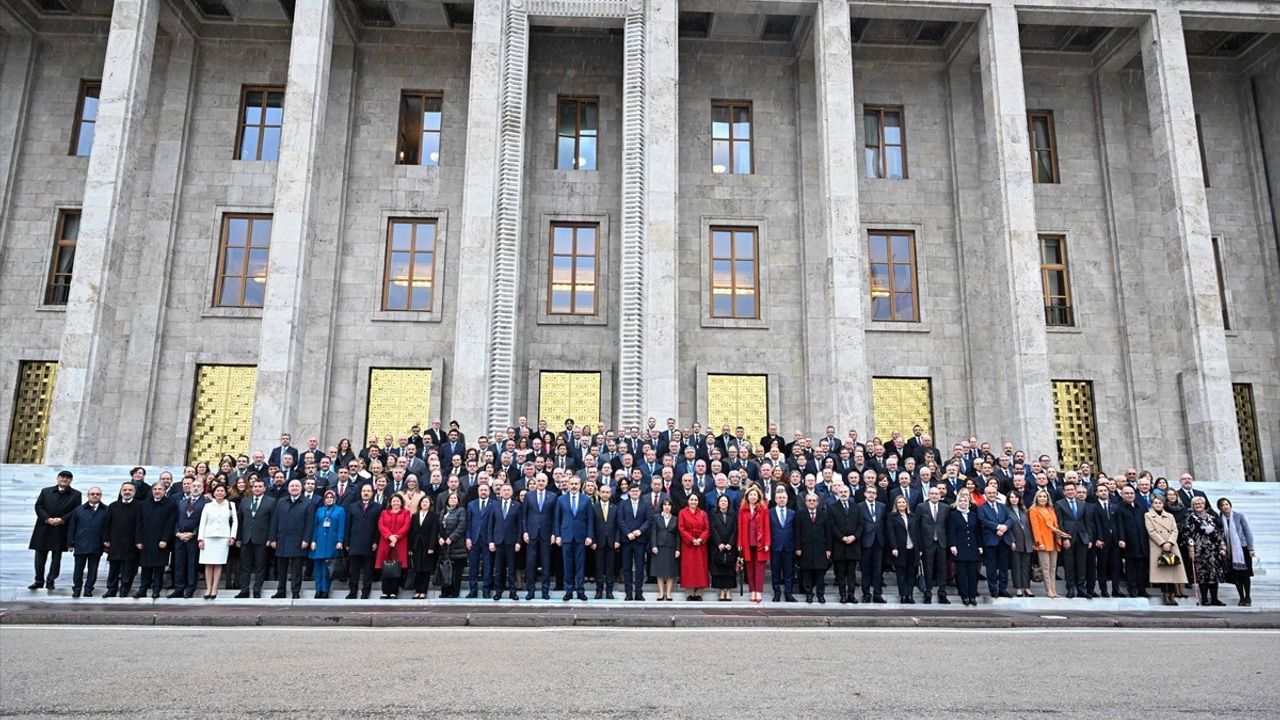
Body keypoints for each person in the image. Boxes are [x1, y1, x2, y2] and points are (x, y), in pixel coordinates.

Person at [29, 470, 81, 592]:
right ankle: (39, 580)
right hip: (44, 527)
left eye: (68, 478)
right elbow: (38, 506)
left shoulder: (76, 494)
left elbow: (76, 510)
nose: (65, 479)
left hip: (61, 528)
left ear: (71, 480)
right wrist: (47, 519)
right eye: (62, 477)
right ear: (57, 478)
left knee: (56, 556)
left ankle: (51, 580)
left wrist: (62, 519)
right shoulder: (46, 491)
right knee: (40, 556)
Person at [270, 479, 315, 599]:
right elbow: (275, 521)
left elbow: (309, 524)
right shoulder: (281, 502)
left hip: (298, 540)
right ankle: (281, 591)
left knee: (296, 569)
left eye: (297, 486)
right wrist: (272, 538)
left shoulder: (308, 503)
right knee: (281, 568)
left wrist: (306, 539)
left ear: (302, 488)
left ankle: (295, 591)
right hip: (282, 539)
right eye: (292, 486)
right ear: (288, 488)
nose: (294, 488)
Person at [1182, 496, 1228, 607]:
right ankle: (1205, 599)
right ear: (1193, 506)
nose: (1199, 505)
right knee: (1203, 575)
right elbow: (1186, 533)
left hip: (1213, 551)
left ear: (1204, 505)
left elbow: (1219, 533)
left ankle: (1215, 598)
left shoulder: (1212, 518)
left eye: (1201, 503)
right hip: (1199, 550)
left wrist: (1222, 546)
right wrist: (1190, 546)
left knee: (1214, 574)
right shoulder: (1190, 518)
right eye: (1196, 504)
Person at [234, 479, 276, 598]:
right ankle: (244, 590)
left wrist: (271, 538)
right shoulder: (245, 501)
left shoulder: (271, 502)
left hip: (262, 539)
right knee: (245, 566)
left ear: (264, 488)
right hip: (246, 538)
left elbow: (273, 522)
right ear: (252, 488)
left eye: (260, 486)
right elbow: (240, 520)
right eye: (255, 486)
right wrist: (238, 538)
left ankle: (257, 590)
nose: (257, 488)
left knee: (260, 566)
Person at [554, 477, 594, 601]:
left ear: (580, 485)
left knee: (580, 565)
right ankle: (569, 591)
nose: (573, 486)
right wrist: (558, 535)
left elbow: (590, 520)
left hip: (580, 537)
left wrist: (589, 535)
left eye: (576, 484)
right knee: (567, 565)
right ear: (568, 484)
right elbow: (557, 519)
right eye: (571, 484)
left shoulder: (586, 500)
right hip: (566, 536)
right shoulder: (561, 499)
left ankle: (581, 590)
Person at [135, 483, 177, 599]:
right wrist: (138, 540)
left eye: (160, 489)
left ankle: (156, 589)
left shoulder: (170, 504)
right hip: (146, 540)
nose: (157, 491)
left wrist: (165, 539)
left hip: (161, 541)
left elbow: (170, 523)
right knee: (145, 566)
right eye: (155, 489)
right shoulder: (144, 504)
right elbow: (139, 523)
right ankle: (143, 589)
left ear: (164, 491)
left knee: (159, 567)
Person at [197, 483, 238, 599]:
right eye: (217, 491)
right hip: (208, 537)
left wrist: (232, 536)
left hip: (223, 538)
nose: (219, 493)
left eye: (222, 491)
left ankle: (215, 588)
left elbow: (235, 522)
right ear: (214, 493)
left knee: (218, 563)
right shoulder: (208, 506)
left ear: (225, 493)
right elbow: (202, 522)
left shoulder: (231, 505)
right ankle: (208, 588)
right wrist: (200, 538)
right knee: (208, 563)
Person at [1145, 495, 1187, 606]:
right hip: (1158, 546)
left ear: (1163, 504)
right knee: (1162, 572)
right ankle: (1165, 595)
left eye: (1160, 503)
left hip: (1171, 545)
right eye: (1156, 503)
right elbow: (1151, 531)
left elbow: (1174, 530)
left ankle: (1172, 595)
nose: (1158, 505)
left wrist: (1170, 542)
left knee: (1172, 571)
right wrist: (1163, 543)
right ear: (1152, 504)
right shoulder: (1148, 515)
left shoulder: (1170, 516)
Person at [102, 483, 142, 597]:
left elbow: (140, 524)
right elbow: (107, 524)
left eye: (130, 490)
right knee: (113, 567)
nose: (127, 492)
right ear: (121, 492)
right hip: (115, 542)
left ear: (134, 492)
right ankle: (111, 589)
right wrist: (106, 539)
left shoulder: (139, 506)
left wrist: (138, 541)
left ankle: (124, 589)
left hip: (131, 542)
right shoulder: (113, 505)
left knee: (128, 568)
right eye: (124, 490)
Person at [66, 487, 107, 599]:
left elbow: (107, 528)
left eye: (97, 494)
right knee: (78, 569)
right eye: (92, 494)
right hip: (81, 545)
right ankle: (77, 589)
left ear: (101, 496)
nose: (95, 496)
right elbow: (72, 527)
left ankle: (88, 589)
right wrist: (70, 543)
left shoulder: (106, 510)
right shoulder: (79, 510)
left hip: (96, 545)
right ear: (88, 495)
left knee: (93, 570)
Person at [521, 473, 556, 600]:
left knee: (546, 563)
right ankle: (531, 591)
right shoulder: (528, 496)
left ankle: (545, 591)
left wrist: (554, 533)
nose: (541, 482)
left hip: (546, 534)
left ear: (547, 482)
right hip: (531, 534)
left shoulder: (552, 496)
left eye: (543, 481)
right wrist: (524, 531)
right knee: (530, 563)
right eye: (539, 480)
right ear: (535, 482)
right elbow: (524, 516)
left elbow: (555, 517)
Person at [913, 484, 950, 604]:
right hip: (927, 543)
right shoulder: (921, 507)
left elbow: (948, 526)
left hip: (941, 542)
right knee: (928, 569)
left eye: (936, 494)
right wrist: (918, 545)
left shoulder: (945, 507)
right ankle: (927, 593)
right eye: (932, 494)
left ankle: (942, 594)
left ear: (940, 495)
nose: (934, 496)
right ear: (928, 495)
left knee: (942, 569)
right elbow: (916, 526)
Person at [171, 480, 207, 598]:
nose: (196, 488)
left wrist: (193, 533)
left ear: (202, 489)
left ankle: (190, 588)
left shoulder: (206, 503)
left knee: (192, 564)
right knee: (179, 563)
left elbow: (205, 521)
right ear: (189, 488)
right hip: (180, 538)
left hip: (194, 538)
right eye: (194, 486)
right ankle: (179, 588)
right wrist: (177, 533)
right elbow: (175, 519)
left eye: (198, 486)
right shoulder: (181, 502)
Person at [344, 484, 382, 599]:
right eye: (364, 491)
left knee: (368, 571)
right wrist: (347, 542)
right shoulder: (352, 506)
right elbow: (348, 525)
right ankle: (353, 591)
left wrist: (376, 541)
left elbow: (378, 527)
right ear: (360, 492)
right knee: (353, 570)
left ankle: (365, 592)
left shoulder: (378, 507)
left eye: (368, 491)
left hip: (369, 543)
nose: (366, 493)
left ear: (372, 493)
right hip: (354, 543)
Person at [790, 492, 828, 604]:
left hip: (820, 548)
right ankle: (809, 594)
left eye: (814, 500)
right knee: (807, 572)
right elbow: (797, 532)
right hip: (805, 548)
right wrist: (798, 547)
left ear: (818, 502)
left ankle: (820, 595)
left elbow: (828, 532)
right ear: (805, 502)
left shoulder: (824, 514)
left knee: (820, 573)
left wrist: (829, 549)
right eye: (809, 500)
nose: (811, 502)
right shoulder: (800, 514)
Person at [827, 484, 862, 604]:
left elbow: (861, 525)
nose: (843, 494)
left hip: (853, 545)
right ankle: (842, 595)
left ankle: (851, 595)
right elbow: (832, 526)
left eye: (845, 492)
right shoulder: (832, 507)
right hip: (839, 545)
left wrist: (854, 536)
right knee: (841, 573)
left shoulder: (856, 507)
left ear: (849, 493)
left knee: (852, 574)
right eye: (841, 492)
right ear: (837, 493)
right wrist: (842, 537)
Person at [618, 483, 653, 601]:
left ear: (640, 492)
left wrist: (640, 531)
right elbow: (620, 519)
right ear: (628, 492)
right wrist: (628, 533)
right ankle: (628, 593)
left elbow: (649, 520)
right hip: (627, 540)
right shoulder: (623, 504)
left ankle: (638, 592)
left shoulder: (646, 505)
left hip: (640, 540)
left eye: (636, 491)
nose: (634, 493)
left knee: (639, 568)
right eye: (632, 491)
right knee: (627, 568)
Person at [487, 484, 522, 602]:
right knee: (498, 569)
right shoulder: (494, 506)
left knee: (511, 568)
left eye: (508, 490)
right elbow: (490, 525)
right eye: (504, 490)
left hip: (511, 542)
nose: (506, 492)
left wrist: (518, 541)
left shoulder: (517, 506)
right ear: (500, 493)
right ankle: (498, 591)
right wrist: (490, 541)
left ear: (512, 492)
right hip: (498, 541)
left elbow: (519, 526)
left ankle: (513, 592)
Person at [736, 485, 771, 604]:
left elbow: (767, 526)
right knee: (749, 568)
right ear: (747, 496)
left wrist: (767, 542)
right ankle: (752, 591)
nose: (752, 497)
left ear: (758, 496)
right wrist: (739, 543)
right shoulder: (743, 509)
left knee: (759, 568)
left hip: (760, 542)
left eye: (755, 495)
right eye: (750, 495)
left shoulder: (763, 508)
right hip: (747, 541)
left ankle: (758, 592)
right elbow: (740, 527)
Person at [308, 490, 346, 599]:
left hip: (331, 542)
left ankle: (325, 590)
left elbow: (341, 526)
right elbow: (315, 526)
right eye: (327, 497)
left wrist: (340, 540)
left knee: (327, 569)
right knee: (318, 568)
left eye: (331, 497)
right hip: (319, 542)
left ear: (334, 499)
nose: (329, 499)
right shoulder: (320, 510)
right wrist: (313, 540)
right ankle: (318, 589)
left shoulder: (340, 510)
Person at [1218, 497, 1255, 606]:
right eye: (1222, 505)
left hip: (1242, 549)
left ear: (1230, 505)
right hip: (1230, 551)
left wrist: (1251, 548)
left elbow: (1248, 532)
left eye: (1226, 504)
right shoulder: (1220, 519)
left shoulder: (1239, 516)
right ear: (1220, 508)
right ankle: (1241, 597)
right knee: (1236, 575)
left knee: (1245, 574)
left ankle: (1248, 596)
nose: (1225, 507)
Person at [978, 485, 1013, 598]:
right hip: (991, 541)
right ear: (986, 494)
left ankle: (1003, 589)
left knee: (1003, 567)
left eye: (994, 493)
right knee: (991, 567)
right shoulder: (981, 508)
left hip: (1004, 539)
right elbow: (984, 520)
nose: (992, 495)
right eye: (989, 493)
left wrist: (1004, 528)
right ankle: (993, 590)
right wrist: (998, 527)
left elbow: (1010, 519)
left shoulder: (1003, 506)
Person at [1030, 489, 1065, 598]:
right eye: (1040, 496)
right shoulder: (1033, 510)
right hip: (1043, 541)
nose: (1042, 499)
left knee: (1053, 567)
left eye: (1044, 496)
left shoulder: (1050, 509)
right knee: (1045, 567)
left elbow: (1055, 525)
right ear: (1036, 498)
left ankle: (1054, 589)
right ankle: (1048, 589)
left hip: (1053, 540)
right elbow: (1035, 527)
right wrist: (1039, 542)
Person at [948, 491, 982, 606]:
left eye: (965, 501)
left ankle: (972, 596)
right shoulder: (953, 515)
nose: (963, 503)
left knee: (973, 573)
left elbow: (977, 532)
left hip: (972, 547)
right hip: (959, 547)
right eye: (961, 501)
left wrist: (980, 546)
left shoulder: (973, 515)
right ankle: (964, 595)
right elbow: (951, 531)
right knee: (962, 573)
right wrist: (952, 545)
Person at [1087, 484, 1121, 598]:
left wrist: (1121, 538)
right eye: (1100, 491)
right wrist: (1098, 538)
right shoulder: (1093, 507)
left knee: (1116, 566)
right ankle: (1104, 590)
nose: (1103, 493)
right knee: (1102, 566)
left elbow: (1119, 524)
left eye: (1105, 491)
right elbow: (1094, 525)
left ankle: (1116, 589)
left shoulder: (1115, 506)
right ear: (1096, 493)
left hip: (1115, 541)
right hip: (1101, 541)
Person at [1117, 486, 1150, 598]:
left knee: (1142, 567)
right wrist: (1122, 539)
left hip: (1142, 541)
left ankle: (1142, 589)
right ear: (1122, 494)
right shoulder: (1119, 508)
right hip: (1129, 542)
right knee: (1131, 567)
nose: (1129, 495)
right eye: (1127, 493)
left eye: (1131, 493)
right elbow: (1119, 525)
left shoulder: (1141, 507)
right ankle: (1132, 589)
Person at [375, 493, 410, 598]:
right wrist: (390, 536)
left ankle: (394, 591)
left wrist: (396, 537)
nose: (396, 503)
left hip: (400, 543)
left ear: (401, 503)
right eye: (394, 501)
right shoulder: (384, 513)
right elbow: (381, 525)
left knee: (396, 567)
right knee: (385, 567)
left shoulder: (406, 513)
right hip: (386, 542)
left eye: (398, 501)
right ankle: (385, 592)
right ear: (390, 502)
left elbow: (406, 526)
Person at [677, 493, 711, 600]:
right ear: (688, 501)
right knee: (689, 568)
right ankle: (689, 592)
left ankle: (699, 592)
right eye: (691, 499)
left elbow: (707, 529)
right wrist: (692, 540)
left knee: (700, 568)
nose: (693, 502)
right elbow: (681, 528)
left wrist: (700, 539)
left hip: (700, 544)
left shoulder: (703, 513)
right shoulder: (682, 512)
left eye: (695, 500)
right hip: (688, 544)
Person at [408, 495, 440, 599]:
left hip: (427, 546)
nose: (424, 503)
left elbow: (434, 532)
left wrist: (432, 547)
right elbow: (411, 532)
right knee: (417, 569)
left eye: (426, 502)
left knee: (425, 569)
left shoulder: (433, 516)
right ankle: (417, 590)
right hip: (416, 545)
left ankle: (423, 591)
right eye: (422, 502)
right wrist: (410, 548)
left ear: (430, 504)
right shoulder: (415, 515)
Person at [465, 483, 494, 599]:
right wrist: (467, 537)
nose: (483, 492)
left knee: (488, 566)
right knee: (473, 566)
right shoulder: (471, 505)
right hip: (474, 539)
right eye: (481, 490)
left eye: (485, 490)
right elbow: (468, 522)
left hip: (488, 539)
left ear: (489, 491)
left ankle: (486, 590)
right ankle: (473, 590)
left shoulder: (494, 504)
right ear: (478, 491)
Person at [857, 485, 886, 603]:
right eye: (869, 492)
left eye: (873, 492)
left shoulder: (882, 506)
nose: (871, 494)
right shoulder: (859, 507)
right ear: (865, 494)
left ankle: (877, 594)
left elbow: (884, 524)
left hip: (879, 542)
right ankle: (866, 594)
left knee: (878, 570)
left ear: (876, 495)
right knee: (866, 570)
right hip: (865, 542)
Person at [886, 495, 916, 603]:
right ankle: (903, 595)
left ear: (906, 504)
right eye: (899, 502)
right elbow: (891, 533)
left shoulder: (912, 516)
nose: (901, 504)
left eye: (903, 502)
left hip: (912, 548)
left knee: (911, 573)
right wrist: (894, 547)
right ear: (896, 505)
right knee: (901, 574)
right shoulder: (892, 516)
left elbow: (917, 533)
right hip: (900, 549)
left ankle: (910, 595)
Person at [768, 487, 796, 603]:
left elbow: (795, 530)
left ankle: (788, 593)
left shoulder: (792, 513)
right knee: (775, 572)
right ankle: (777, 593)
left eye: (783, 498)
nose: (781, 500)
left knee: (789, 572)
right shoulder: (770, 513)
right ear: (775, 499)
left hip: (789, 546)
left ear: (787, 499)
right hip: (775, 546)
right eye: (779, 498)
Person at [592, 485, 620, 599]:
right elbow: (591, 525)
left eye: (607, 492)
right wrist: (592, 540)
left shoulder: (615, 508)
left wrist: (618, 540)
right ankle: (599, 590)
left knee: (610, 568)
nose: (605, 494)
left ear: (610, 494)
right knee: (598, 567)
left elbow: (618, 526)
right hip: (598, 542)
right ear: (599, 493)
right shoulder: (594, 507)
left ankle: (609, 591)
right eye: (603, 492)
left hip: (611, 542)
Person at [1005, 490, 1035, 597]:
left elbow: (1030, 527)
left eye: (1016, 497)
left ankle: (1027, 587)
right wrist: (1011, 541)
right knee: (1016, 566)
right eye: (1011, 497)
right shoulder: (1006, 511)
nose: (1014, 499)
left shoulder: (1024, 511)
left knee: (1026, 566)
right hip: (1015, 541)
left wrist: (1032, 541)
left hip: (1027, 541)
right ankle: (1018, 588)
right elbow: (1007, 528)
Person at [709, 493, 738, 601]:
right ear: (718, 503)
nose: (723, 503)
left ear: (728, 503)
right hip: (718, 546)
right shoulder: (713, 514)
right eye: (721, 501)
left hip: (730, 546)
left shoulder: (733, 514)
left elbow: (735, 530)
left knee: (729, 570)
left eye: (725, 501)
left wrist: (730, 543)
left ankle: (728, 591)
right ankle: (721, 591)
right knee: (718, 570)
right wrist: (719, 543)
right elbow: (713, 529)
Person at [650, 498, 679, 601]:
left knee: (671, 571)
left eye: (669, 505)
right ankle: (661, 593)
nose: (667, 507)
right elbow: (653, 532)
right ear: (662, 506)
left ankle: (669, 593)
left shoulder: (675, 519)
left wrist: (678, 549)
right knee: (659, 571)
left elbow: (677, 535)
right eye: (665, 505)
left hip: (671, 547)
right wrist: (654, 545)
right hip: (659, 547)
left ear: (671, 507)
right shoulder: (656, 517)